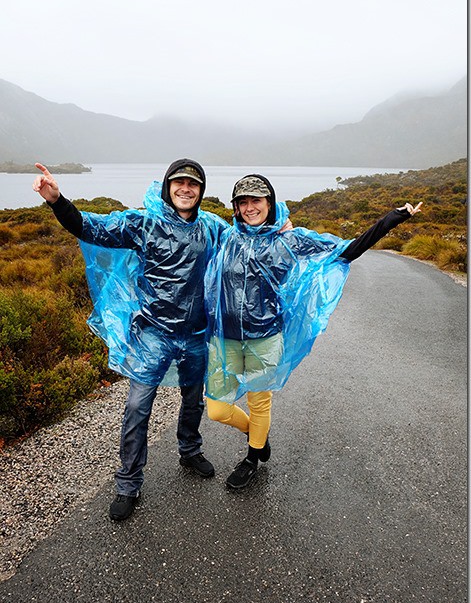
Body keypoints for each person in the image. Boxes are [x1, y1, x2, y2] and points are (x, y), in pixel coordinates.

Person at [33, 159, 228, 520]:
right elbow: (93, 228)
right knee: (138, 407)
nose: (186, 189)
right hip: (154, 333)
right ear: (169, 187)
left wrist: (278, 230)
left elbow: (242, 249)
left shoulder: (212, 227)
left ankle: (189, 449)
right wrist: (58, 201)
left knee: (193, 399)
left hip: (196, 334)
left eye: (193, 184)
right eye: (179, 182)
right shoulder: (145, 223)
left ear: (201, 191)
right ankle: (127, 483)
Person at [204, 174, 422, 489]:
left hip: (264, 338)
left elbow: (346, 251)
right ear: (235, 208)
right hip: (224, 339)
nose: (250, 207)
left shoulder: (288, 241)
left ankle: (252, 457)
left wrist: (393, 218)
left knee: (259, 402)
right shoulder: (225, 238)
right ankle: (256, 435)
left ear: (269, 203)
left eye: (257, 200)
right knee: (217, 409)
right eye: (243, 202)